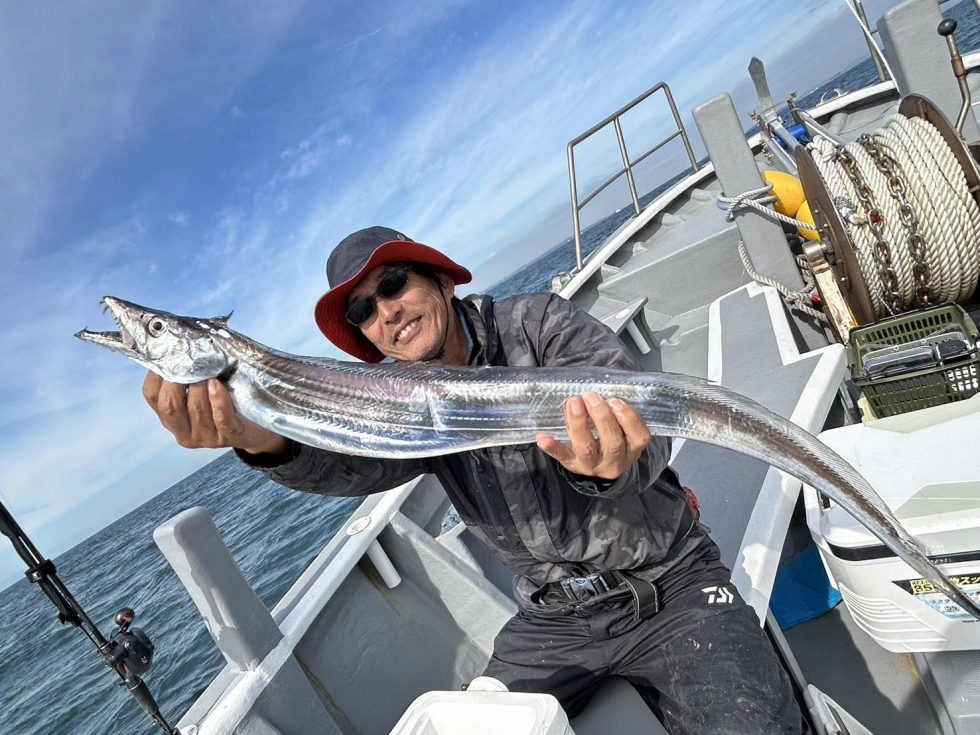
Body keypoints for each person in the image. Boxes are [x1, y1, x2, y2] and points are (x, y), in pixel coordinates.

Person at [142, 226, 806, 734]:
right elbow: (348, 464)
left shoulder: (540, 325)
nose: (386, 313)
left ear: (441, 279)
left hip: (668, 580)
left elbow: (644, 420)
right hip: (554, 620)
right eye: (364, 313)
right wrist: (258, 438)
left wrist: (614, 465)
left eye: (394, 283)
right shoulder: (404, 405)